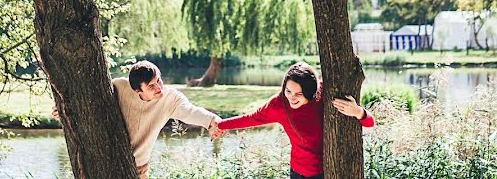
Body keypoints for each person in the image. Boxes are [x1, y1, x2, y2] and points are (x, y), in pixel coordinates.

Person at [52, 60, 221, 179]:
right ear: (137, 90)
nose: (159, 88)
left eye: (159, 81)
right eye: (151, 86)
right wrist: (65, 110)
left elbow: (190, 111)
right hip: (105, 161)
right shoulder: (118, 87)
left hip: (139, 168)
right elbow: (89, 102)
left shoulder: (171, 98)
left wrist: (211, 120)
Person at [213, 61, 374, 179]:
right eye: (288, 90)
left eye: (299, 94)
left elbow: (370, 123)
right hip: (296, 172)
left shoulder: (325, 94)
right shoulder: (279, 104)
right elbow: (251, 118)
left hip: (323, 173)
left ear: (311, 92)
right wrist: (220, 125)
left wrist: (358, 111)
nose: (292, 97)